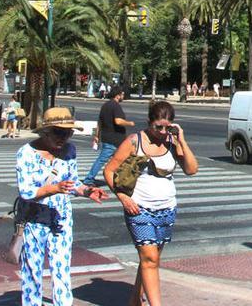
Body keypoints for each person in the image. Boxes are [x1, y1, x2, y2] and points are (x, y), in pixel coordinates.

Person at [104, 101, 198, 306]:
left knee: (150, 260)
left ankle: (134, 300)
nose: (163, 132)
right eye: (158, 127)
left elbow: (191, 169)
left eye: (167, 127)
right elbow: (109, 170)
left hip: (166, 209)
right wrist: (123, 197)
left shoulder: (172, 143)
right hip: (139, 209)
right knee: (150, 259)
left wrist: (182, 139)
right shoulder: (134, 141)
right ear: (149, 123)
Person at [15, 107, 107, 306]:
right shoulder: (26, 154)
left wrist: (87, 191)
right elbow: (26, 191)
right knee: (32, 269)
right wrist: (54, 188)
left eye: (68, 132)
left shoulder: (70, 151)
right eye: (59, 132)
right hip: (34, 220)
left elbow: (72, 182)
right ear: (45, 131)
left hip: (61, 218)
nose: (63, 137)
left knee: (62, 267)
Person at [83, 86, 135, 187]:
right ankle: (89, 179)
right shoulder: (115, 106)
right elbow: (118, 121)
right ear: (118, 95)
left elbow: (99, 122)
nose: (123, 96)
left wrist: (97, 136)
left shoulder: (105, 105)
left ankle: (120, 179)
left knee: (122, 160)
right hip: (115, 140)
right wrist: (130, 123)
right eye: (122, 94)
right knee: (107, 160)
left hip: (107, 138)